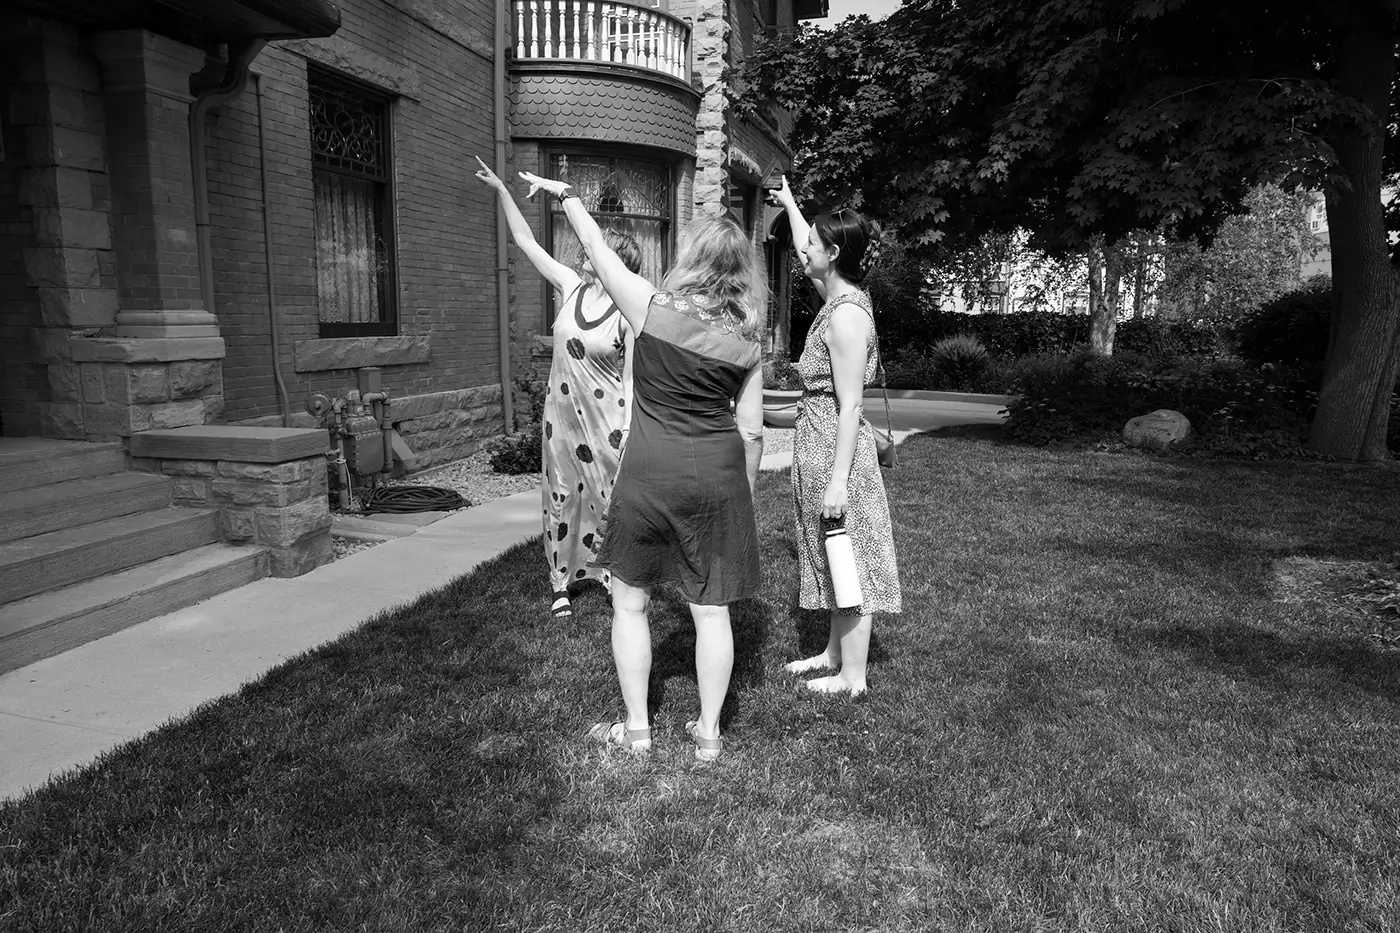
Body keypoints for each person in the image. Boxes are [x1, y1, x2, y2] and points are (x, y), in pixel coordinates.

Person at [518, 168, 766, 761]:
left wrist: (569, 197)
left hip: (649, 472)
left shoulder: (651, 307)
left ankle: (636, 731)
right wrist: (745, 493)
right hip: (717, 476)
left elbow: (597, 250)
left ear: (692, 259)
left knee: (630, 602)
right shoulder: (748, 340)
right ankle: (708, 736)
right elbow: (753, 429)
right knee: (712, 610)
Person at [475, 157, 643, 620]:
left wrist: (631, 427)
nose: (585, 250)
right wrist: (504, 193)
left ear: (613, 261)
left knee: (610, 498)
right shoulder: (570, 287)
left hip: (607, 421)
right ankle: (560, 582)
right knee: (561, 495)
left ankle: (611, 575)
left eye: (596, 248)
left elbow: (631, 377)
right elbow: (526, 242)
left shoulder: (626, 312)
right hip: (561, 418)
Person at [774, 177, 902, 696]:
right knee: (834, 551)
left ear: (832, 254)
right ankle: (833, 653)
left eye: (811, 245)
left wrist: (838, 480)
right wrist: (790, 204)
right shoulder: (836, 294)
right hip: (820, 440)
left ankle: (854, 677)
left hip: (836, 448)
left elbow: (851, 406)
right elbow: (807, 243)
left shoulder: (846, 316)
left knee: (851, 556)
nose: (802, 250)